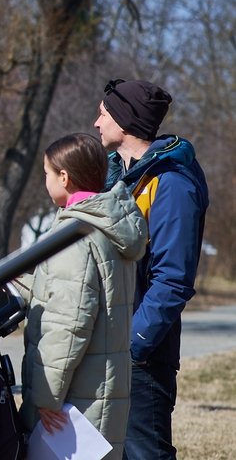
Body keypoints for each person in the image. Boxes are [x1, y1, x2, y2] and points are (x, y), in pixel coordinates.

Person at [94, 79, 209, 459]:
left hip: (141, 358)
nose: (96, 123)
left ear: (124, 122)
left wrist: (132, 345)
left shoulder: (172, 184)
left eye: (104, 113)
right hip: (109, 350)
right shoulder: (117, 179)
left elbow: (173, 280)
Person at [17, 133, 147, 459]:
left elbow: (69, 322)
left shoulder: (73, 237)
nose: (45, 180)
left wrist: (46, 396)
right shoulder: (106, 228)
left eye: (47, 173)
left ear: (64, 177)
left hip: (73, 402)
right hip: (99, 393)